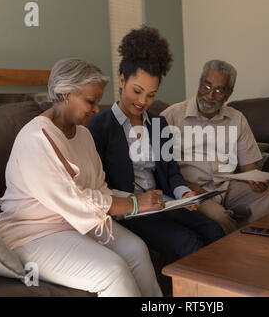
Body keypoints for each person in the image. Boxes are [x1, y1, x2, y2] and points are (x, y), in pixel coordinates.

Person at [0, 58, 163, 297]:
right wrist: (133, 203)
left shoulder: (83, 134)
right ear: (65, 94)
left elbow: (98, 185)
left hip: (76, 223)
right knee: (112, 271)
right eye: (90, 101)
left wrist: (132, 203)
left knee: (136, 248)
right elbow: (73, 199)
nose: (96, 109)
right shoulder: (37, 138)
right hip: (33, 234)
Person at [87, 26, 224, 260]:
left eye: (151, 94)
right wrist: (135, 202)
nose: (143, 101)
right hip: (133, 211)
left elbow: (171, 173)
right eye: (137, 91)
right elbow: (97, 186)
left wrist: (184, 195)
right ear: (122, 81)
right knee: (188, 243)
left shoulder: (159, 124)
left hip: (166, 203)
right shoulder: (100, 127)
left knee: (214, 230)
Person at [161, 59, 269, 234]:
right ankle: (236, 250)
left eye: (218, 91)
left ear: (229, 94)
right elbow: (161, 170)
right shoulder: (171, 116)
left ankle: (256, 245)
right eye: (206, 86)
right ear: (200, 82)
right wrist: (186, 187)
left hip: (227, 186)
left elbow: (250, 167)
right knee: (218, 217)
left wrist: (257, 180)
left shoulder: (237, 119)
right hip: (192, 190)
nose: (209, 95)